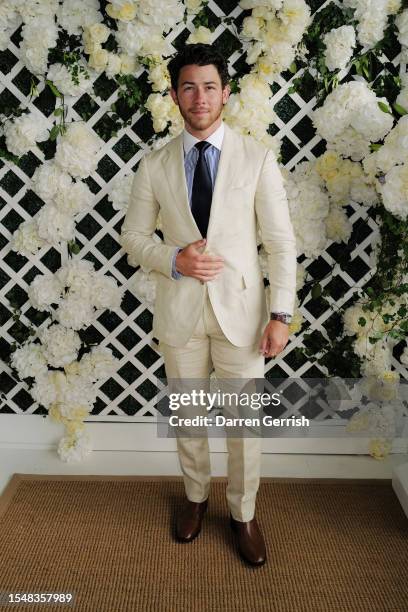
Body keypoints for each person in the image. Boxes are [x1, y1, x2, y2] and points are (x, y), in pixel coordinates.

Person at [120, 43, 297, 567]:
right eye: (189, 87)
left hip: (242, 316)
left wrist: (281, 315)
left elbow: (281, 243)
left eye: (210, 86)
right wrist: (174, 258)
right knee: (189, 417)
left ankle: (243, 513)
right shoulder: (153, 166)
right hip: (180, 315)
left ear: (226, 92)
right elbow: (132, 238)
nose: (200, 97)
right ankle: (196, 500)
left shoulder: (257, 158)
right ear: (174, 94)